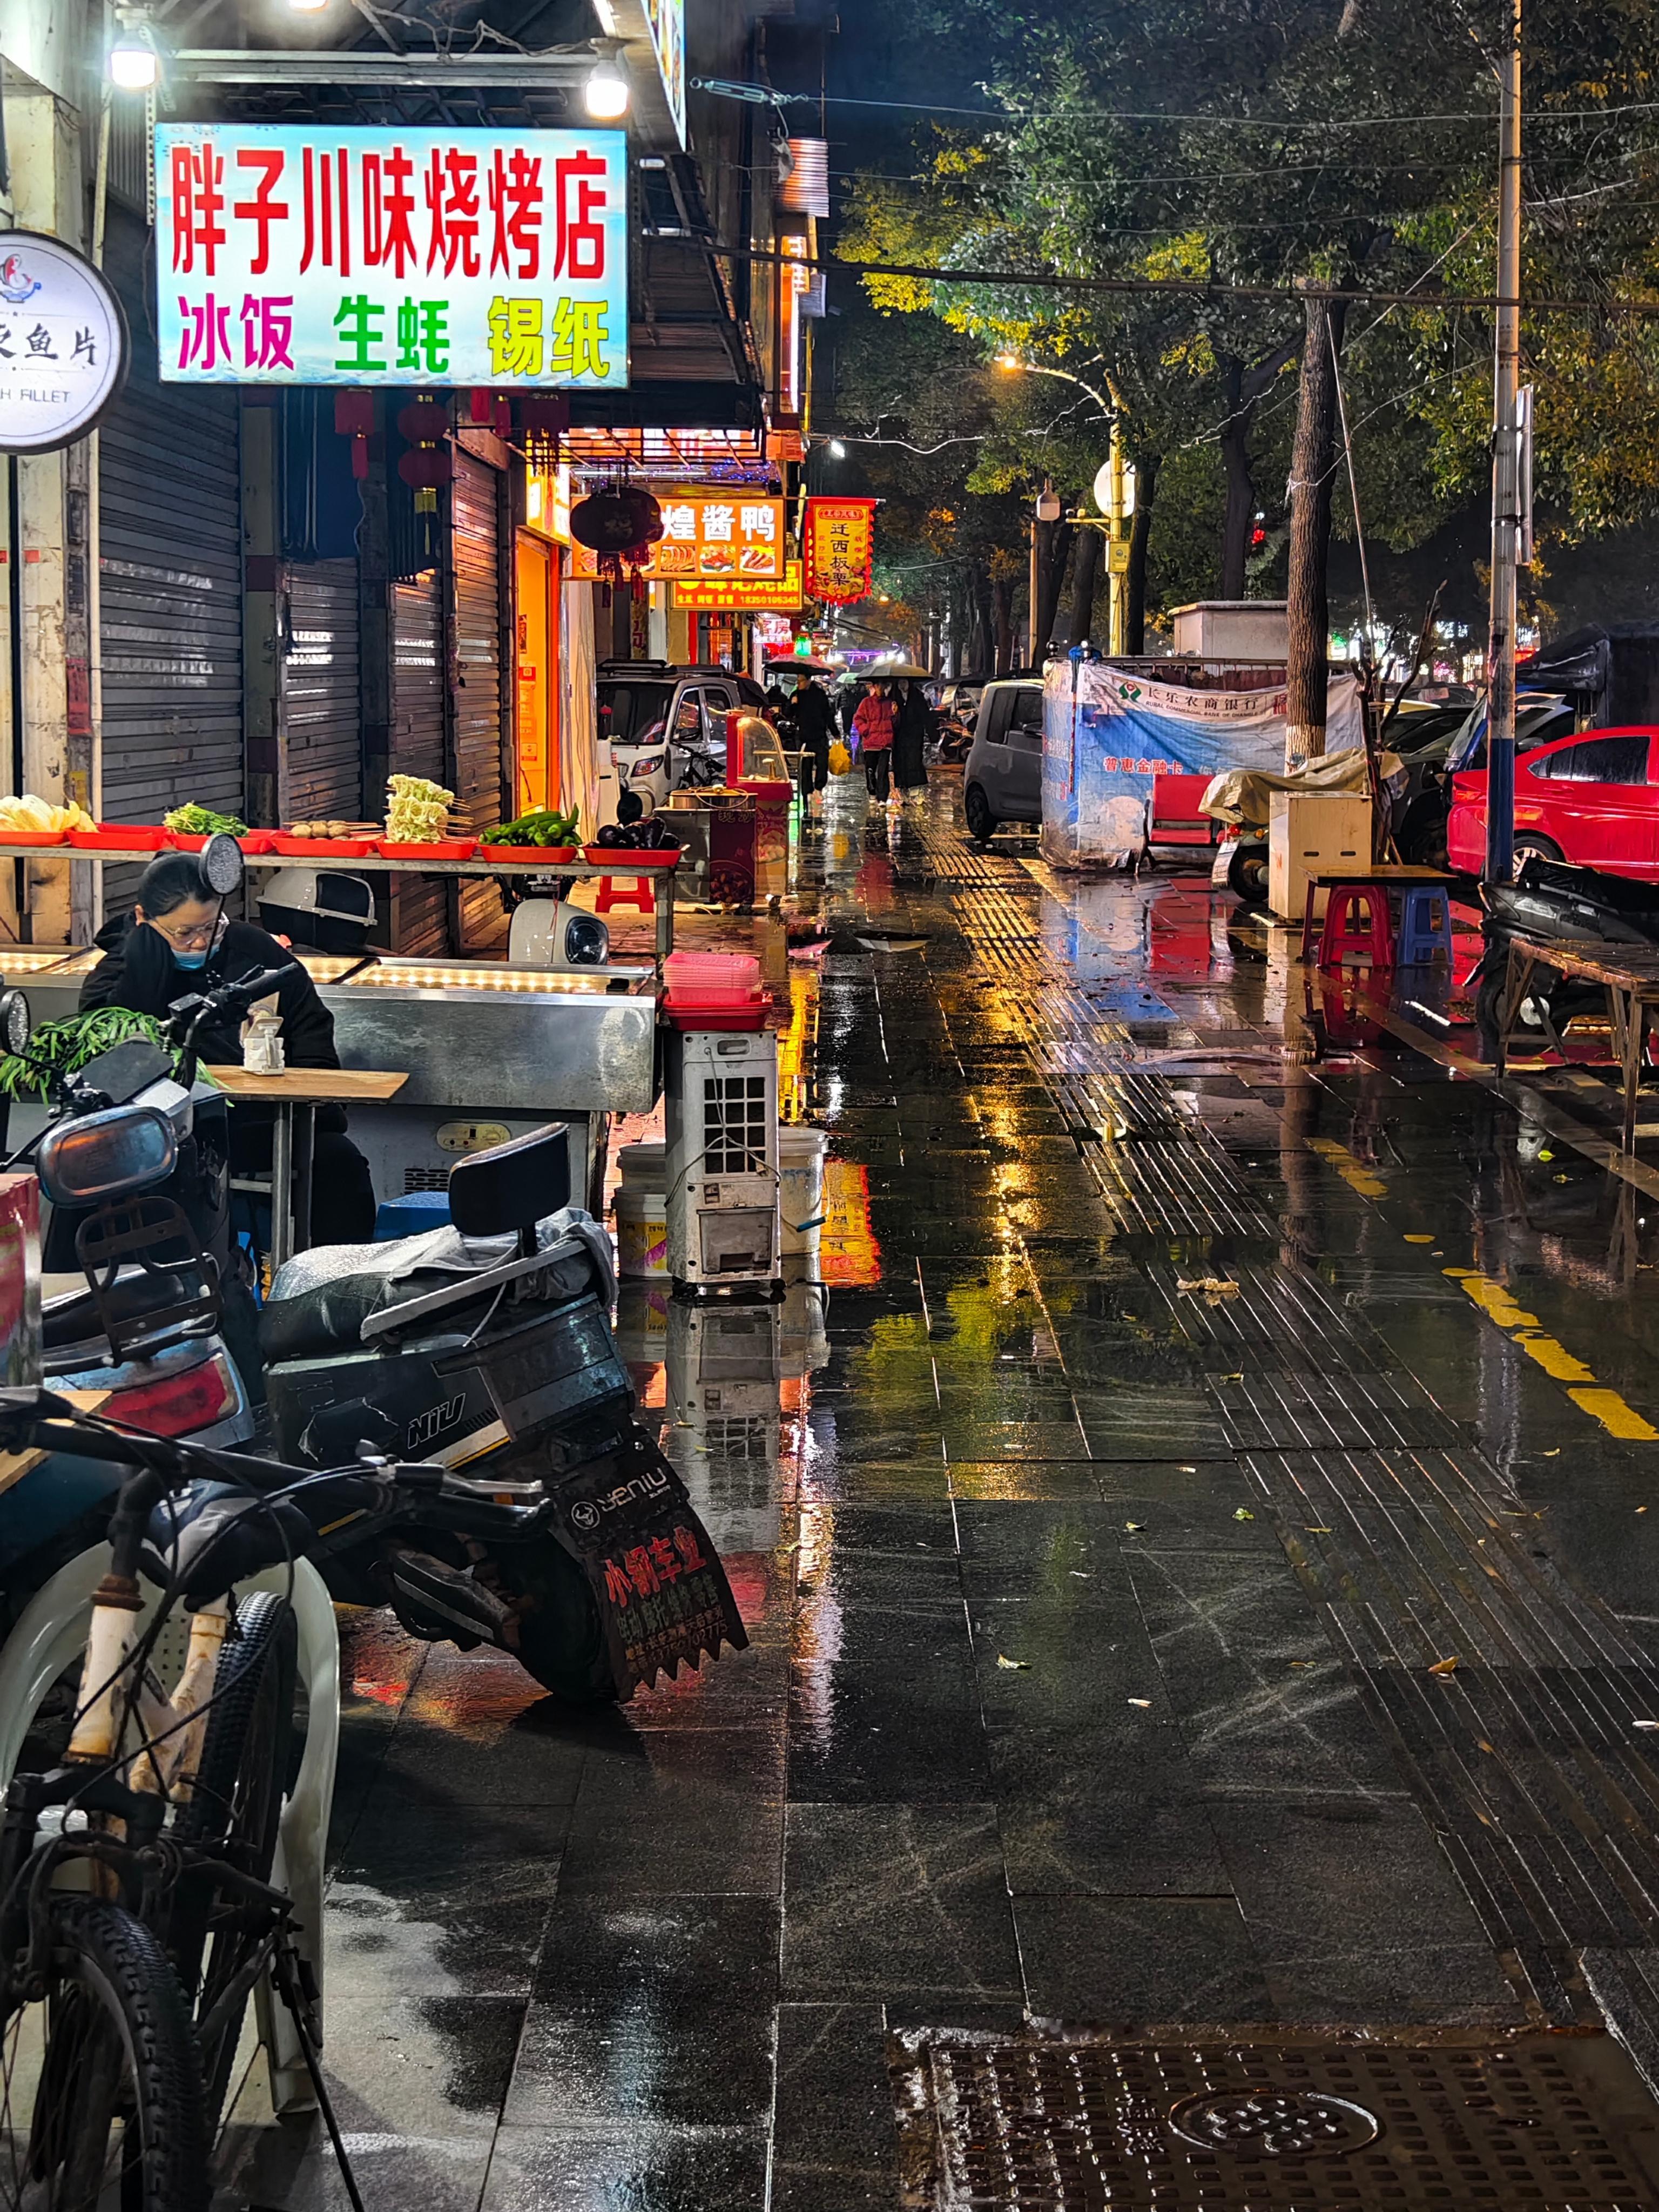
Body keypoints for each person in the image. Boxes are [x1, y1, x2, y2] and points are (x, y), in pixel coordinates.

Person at [80, 851, 377, 1247]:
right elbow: (99, 1058)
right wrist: (146, 968)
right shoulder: (117, 973)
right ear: (141, 918)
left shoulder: (255, 952)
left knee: (338, 1162)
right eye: (184, 934)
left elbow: (312, 1033)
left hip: (262, 1126)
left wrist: (306, 1102)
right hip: (156, 1138)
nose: (201, 942)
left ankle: (331, 1287)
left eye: (212, 928)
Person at [792, 675, 835, 811]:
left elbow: (828, 715)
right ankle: (807, 792)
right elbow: (789, 713)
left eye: (801, 681)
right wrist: (793, 704)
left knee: (822, 763)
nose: (798, 683)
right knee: (805, 766)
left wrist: (835, 732)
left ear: (808, 681)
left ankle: (819, 788)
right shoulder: (796, 694)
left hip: (819, 735)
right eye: (797, 681)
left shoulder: (820, 695)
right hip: (804, 737)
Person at [851, 679, 897, 804]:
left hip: (885, 743)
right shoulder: (867, 702)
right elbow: (858, 719)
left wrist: (895, 713)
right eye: (878, 685)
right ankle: (872, 792)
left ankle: (882, 797)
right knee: (870, 770)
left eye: (883, 685)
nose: (881, 688)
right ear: (874, 687)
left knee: (883, 770)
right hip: (871, 743)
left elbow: (896, 721)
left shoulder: (890, 703)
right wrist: (866, 730)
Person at [893, 678, 934, 800]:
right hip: (899, 735)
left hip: (915, 734)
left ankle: (914, 786)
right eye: (900, 683)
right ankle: (902, 785)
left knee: (914, 758)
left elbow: (925, 716)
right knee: (900, 759)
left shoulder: (918, 697)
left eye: (904, 683)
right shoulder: (894, 697)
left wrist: (931, 733)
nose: (902, 686)